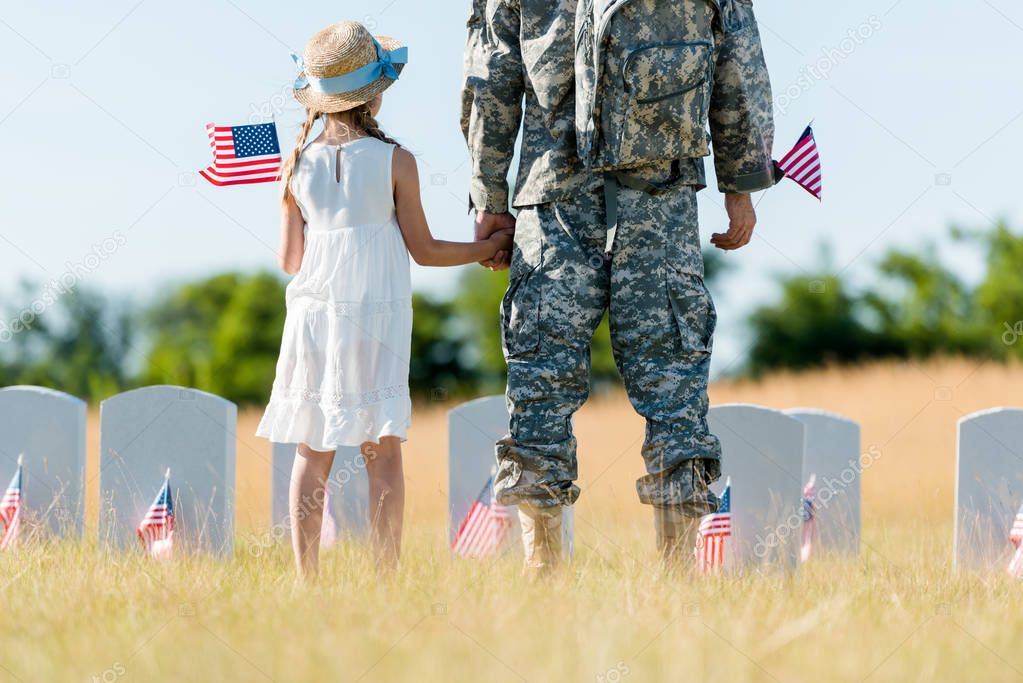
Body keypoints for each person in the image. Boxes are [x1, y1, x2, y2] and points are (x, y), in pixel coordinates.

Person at [462, 0, 777, 573]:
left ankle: (544, 577)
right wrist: (741, 183)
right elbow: (740, 67)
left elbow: (492, 78)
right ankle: (676, 580)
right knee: (674, 385)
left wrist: (488, 195)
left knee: (541, 385)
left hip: (554, 200)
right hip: (657, 199)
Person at [257, 20, 514, 580]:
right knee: (383, 451)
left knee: (312, 449)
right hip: (375, 315)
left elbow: (288, 262)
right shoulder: (397, 161)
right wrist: (488, 248)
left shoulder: (294, 162)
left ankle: (306, 581)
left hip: (313, 314)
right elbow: (422, 250)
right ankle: (385, 577)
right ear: (374, 93)